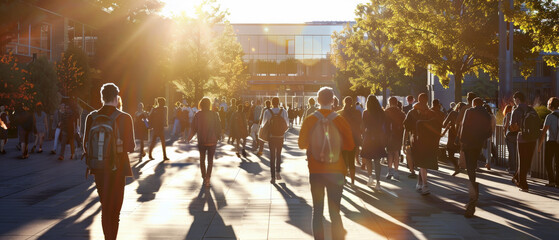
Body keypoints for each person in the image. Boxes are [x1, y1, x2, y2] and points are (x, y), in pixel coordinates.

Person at [298, 87, 354, 240]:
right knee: (334, 211)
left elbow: (301, 144)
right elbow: (350, 146)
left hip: (315, 170)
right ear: (333, 100)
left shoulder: (310, 120)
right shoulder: (340, 120)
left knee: (317, 210)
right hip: (336, 170)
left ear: (317, 100)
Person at [83, 83, 135, 240]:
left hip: (98, 168)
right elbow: (131, 147)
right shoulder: (125, 117)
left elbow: (85, 145)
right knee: (115, 211)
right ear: (116, 97)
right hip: (119, 168)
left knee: (105, 207)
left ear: (102, 97)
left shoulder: (91, 117)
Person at [460, 97, 492, 218]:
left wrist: (462, 141)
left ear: (473, 104)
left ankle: (473, 190)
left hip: (468, 143)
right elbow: (489, 132)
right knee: (472, 165)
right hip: (478, 144)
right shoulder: (487, 115)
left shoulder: (470, 112)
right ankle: (473, 188)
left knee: (470, 167)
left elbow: (464, 126)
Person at [404, 93, 441, 195]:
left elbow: (406, 128)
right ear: (427, 100)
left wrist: (404, 142)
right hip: (428, 141)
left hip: (416, 140)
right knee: (423, 163)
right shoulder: (431, 113)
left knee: (422, 163)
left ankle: (423, 184)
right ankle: (422, 184)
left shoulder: (412, 112)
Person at [188, 97, 222, 187]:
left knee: (202, 160)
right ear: (209, 105)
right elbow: (218, 126)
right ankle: (208, 179)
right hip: (212, 141)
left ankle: (204, 177)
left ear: (201, 105)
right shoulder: (214, 114)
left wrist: (189, 137)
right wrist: (219, 136)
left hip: (202, 141)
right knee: (210, 161)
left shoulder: (198, 115)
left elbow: (193, 128)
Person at [509, 91, 539, 192]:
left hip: (522, 138)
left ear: (517, 99)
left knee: (522, 161)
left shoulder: (516, 110)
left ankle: (523, 184)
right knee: (528, 160)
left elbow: (513, 126)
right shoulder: (531, 109)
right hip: (533, 138)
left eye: (514, 100)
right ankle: (517, 178)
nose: (514, 102)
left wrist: (514, 129)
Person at [361, 95, 387, 190]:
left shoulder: (365, 112)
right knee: (377, 160)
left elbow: (363, 126)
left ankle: (370, 177)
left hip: (368, 137)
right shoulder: (381, 112)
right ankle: (378, 182)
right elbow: (384, 125)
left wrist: (363, 137)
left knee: (368, 158)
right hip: (378, 138)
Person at [261, 97, 289, 183]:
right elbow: (287, 124)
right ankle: (278, 173)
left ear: (272, 103)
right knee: (279, 155)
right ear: (279, 103)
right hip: (280, 137)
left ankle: (272, 177)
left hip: (271, 137)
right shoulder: (283, 111)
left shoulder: (267, 112)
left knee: (272, 156)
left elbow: (263, 124)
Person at [338, 96, 362, 185]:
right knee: (352, 161)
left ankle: (343, 179)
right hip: (353, 139)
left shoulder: (339, 113)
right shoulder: (357, 113)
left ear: (344, 102)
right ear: (352, 103)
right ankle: (352, 181)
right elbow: (360, 125)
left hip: (342, 139)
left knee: (343, 160)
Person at [538, 97, 559, 188]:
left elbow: (544, 132)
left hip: (551, 142)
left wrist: (539, 145)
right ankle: (558, 183)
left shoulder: (549, 117)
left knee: (548, 162)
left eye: (548, 104)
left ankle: (552, 181)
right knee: (558, 163)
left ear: (551, 106)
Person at [384, 96, 406, 180]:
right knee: (396, 153)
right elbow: (405, 125)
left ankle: (390, 171)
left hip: (388, 135)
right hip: (398, 135)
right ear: (396, 103)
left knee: (389, 153)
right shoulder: (401, 113)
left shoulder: (386, 112)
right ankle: (396, 171)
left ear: (389, 103)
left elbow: (384, 124)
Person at [442, 102, 465, 176]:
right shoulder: (466, 115)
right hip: (463, 137)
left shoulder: (453, 113)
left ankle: (456, 167)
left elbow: (444, 124)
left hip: (452, 137)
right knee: (463, 153)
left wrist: (450, 124)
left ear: (457, 108)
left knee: (450, 155)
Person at [482, 104, 497, 170]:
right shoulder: (492, 116)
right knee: (487, 148)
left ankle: (488, 163)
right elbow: (494, 125)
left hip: (485, 134)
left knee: (485, 149)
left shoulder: (486, 116)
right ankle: (488, 162)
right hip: (490, 134)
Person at [502, 104, 517, 172]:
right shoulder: (518, 116)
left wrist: (505, 134)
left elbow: (505, 126)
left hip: (509, 135)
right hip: (516, 135)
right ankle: (513, 167)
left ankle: (512, 167)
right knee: (515, 152)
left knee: (511, 152)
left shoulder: (508, 115)